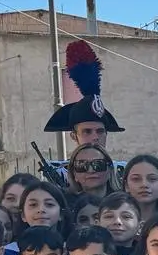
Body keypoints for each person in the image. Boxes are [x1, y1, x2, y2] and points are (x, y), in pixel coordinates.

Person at [44, 39, 124, 173]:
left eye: (100, 131)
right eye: (87, 131)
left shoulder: (123, 174)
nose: (95, 137)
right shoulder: (61, 176)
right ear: (74, 136)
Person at [98, 191, 142, 255]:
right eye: (109, 216)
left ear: (140, 226)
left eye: (126, 217)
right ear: (98, 223)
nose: (117, 222)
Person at [122, 154, 158, 222]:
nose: (144, 184)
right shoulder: (117, 224)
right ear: (126, 185)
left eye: (152, 179)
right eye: (136, 179)